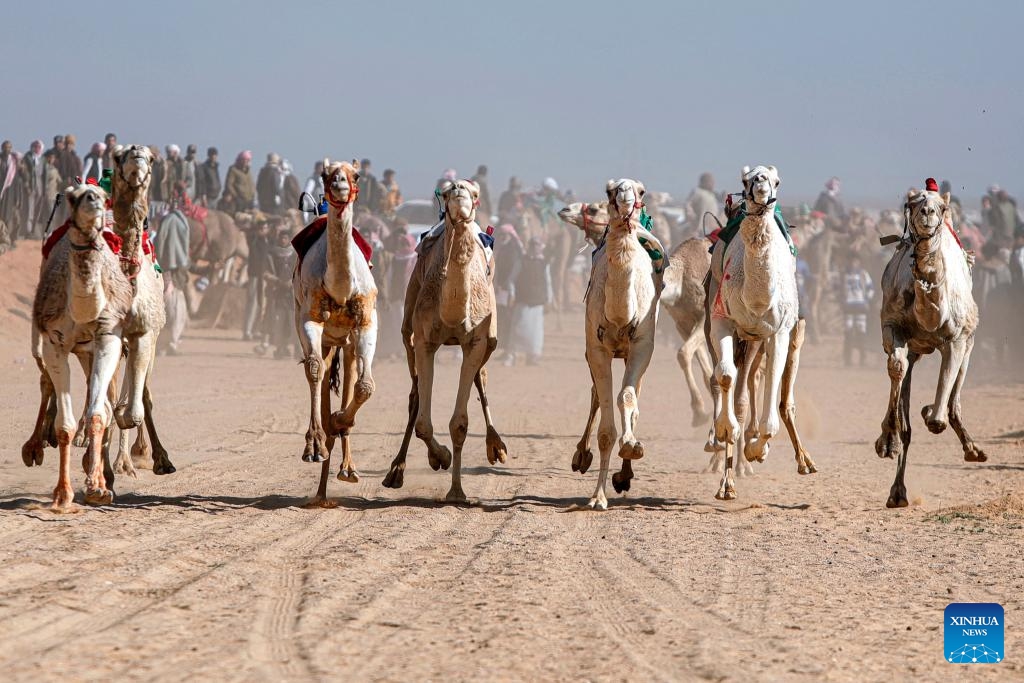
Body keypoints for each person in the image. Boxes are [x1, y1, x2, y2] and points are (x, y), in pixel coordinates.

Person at [153, 190, 192, 355]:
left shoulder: (171, 220)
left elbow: (160, 242)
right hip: (173, 268)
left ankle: (170, 342)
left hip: (172, 269)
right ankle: (169, 342)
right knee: (174, 308)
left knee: (175, 308)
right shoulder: (178, 221)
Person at [507, 236, 552, 366]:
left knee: (536, 332)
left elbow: (548, 282)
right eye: (533, 245)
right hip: (523, 301)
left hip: (538, 303)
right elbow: (511, 279)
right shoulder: (521, 261)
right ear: (529, 246)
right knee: (517, 329)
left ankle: (533, 357)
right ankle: (512, 355)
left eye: (537, 245)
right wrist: (512, 294)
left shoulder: (544, 263)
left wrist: (549, 300)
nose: (535, 248)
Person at [255, 225, 297, 359]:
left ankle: (298, 350)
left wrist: (292, 282)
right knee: (278, 323)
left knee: (294, 324)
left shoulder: (296, 255)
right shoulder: (271, 254)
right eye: (282, 238)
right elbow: (265, 273)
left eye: (286, 238)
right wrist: (278, 281)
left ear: (290, 239)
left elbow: (302, 273)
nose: (283, 240)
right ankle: (280, 348)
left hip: (293, 296)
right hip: (277, 295)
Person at [492, 223, 523, 357]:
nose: (503, 237)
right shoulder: (503, 248)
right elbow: (497, 267)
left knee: (509, 318)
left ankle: (509, 349)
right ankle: (504, 347)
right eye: (501, 235)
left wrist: (506, 284)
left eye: (505, 235)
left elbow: (515, 270)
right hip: (501, 289)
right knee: (502, 316)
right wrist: (497, 283)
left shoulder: (515, 250)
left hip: (511, 289)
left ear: (510, 235)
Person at [842, 254, 874, 366]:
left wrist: (867, 300)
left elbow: (871, 288)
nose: (853, 263)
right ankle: (847, 360)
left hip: (860, 306)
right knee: (848, 333)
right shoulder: (844, 274)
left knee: (861, 333)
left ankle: (862, 359)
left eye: (855, 261)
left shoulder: (863, 274)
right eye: (851, 261)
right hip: (848, 306)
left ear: (859, 262)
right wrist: (842, 300)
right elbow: (838, 288)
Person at [243, 215, 272, 340]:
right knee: (252, 302)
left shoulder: (268, 241)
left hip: (264, 276)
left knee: (261, 304)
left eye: (264, 227)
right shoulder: (253, 239)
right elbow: (249, 235)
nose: (262, 230)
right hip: (254, 275)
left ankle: (255, 330)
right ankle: (247, 331)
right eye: (261, 228)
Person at [17, 140, 45, 240]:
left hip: (39, 186)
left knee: (37, 209)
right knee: (29, 208)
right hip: (30, 186)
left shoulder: (42, 159)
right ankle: (28, 231)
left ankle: (33, 230)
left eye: (39, 147)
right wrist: (27, 185)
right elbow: (24, 173)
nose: (37, 149)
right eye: (35, 147)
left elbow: (43, 175)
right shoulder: (27, 158)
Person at [685, 172, 720, 240]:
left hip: (712, 229)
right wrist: (692, 218)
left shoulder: (711, 195)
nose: (712, 183)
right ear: (704, 182)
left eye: (713, 181)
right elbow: (688, 205)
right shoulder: (697, 192)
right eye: (710, 181)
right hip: (700, 229)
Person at [222, 150, 256, 215]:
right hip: (239, 200)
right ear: (240, 160)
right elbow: (229, 184)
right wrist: (236, 196)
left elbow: (251, 183)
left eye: (248, 160)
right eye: (244, 160)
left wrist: (253, 193)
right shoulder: (233, 170)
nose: (246, 162)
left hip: (249, 199)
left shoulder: (248, 171)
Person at [0, 141, 20, 239]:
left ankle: (8, 240)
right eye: (5, 147)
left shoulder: (13, 163)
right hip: (1, 194)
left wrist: (17, 198)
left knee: (9, 218)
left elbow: (16, 182)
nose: (7, 149)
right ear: (2, 148)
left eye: (9, 147)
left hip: (10, 195)